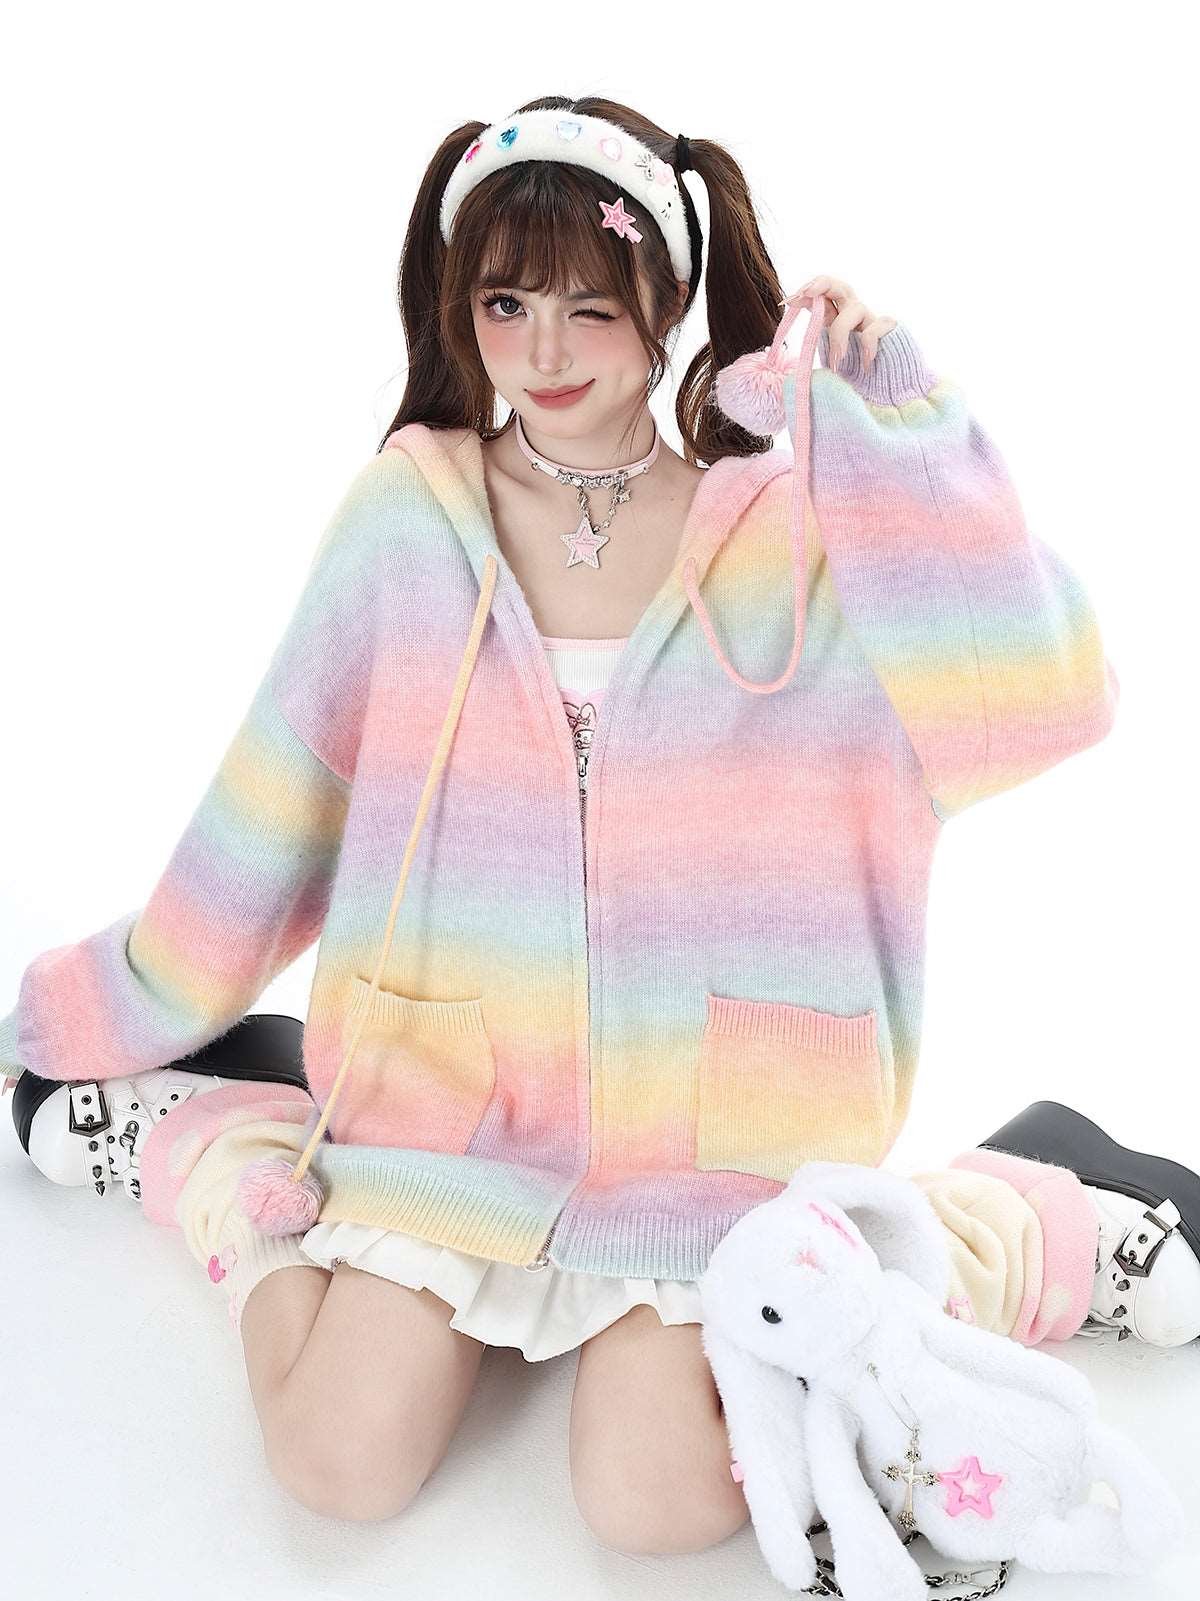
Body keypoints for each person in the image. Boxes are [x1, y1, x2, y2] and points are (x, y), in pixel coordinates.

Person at [4, 93, 1198, 1551]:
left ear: (668, 302)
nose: (544, 353)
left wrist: (901, 432)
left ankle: (1020, 1216)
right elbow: (278, 800)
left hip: (720, 1136)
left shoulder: (792, 538)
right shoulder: (409, 524)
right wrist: (108, 1007)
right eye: (505, 305)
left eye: (590, 306)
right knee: (334, 1460)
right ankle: (223, 1155)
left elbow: (1042, 699)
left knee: (655, 1500)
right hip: (451, 1113)